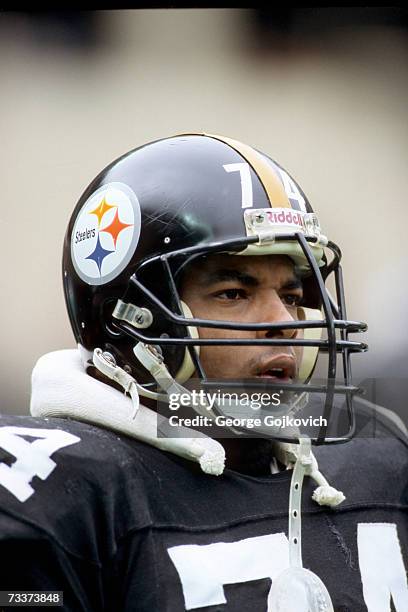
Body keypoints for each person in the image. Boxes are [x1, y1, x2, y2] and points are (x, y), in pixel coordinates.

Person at [0, 133, 407, 611]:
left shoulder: (376, 458)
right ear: (128, 318)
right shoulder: (47, 487)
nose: (283, 323)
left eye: (292, 297)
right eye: (234, 293)